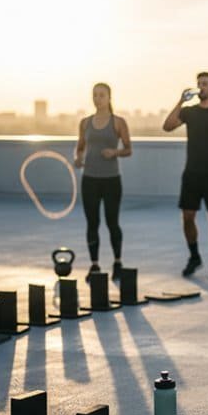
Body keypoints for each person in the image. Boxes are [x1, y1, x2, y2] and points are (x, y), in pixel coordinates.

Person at [162, 72, 208, 279]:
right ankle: (194, 256)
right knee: (187, 217)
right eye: (199, 84)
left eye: (205, 84)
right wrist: (180, 100)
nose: (201, 87)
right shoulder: (189, 112)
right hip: (191, 174)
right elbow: (167, 126)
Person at [74, 82, 132, 280]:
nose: (97, 98)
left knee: (112, 221)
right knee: (92, 223)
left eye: (101, 95)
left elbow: (128, 149)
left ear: (109, 98)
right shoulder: (85, 122)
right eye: (95, 95)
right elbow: (80, 146)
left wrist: (114, 152)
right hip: (89, 179)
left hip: (111, 180)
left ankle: (117, 262)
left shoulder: (118, 122)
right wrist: (78, 158)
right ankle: (95, 265)